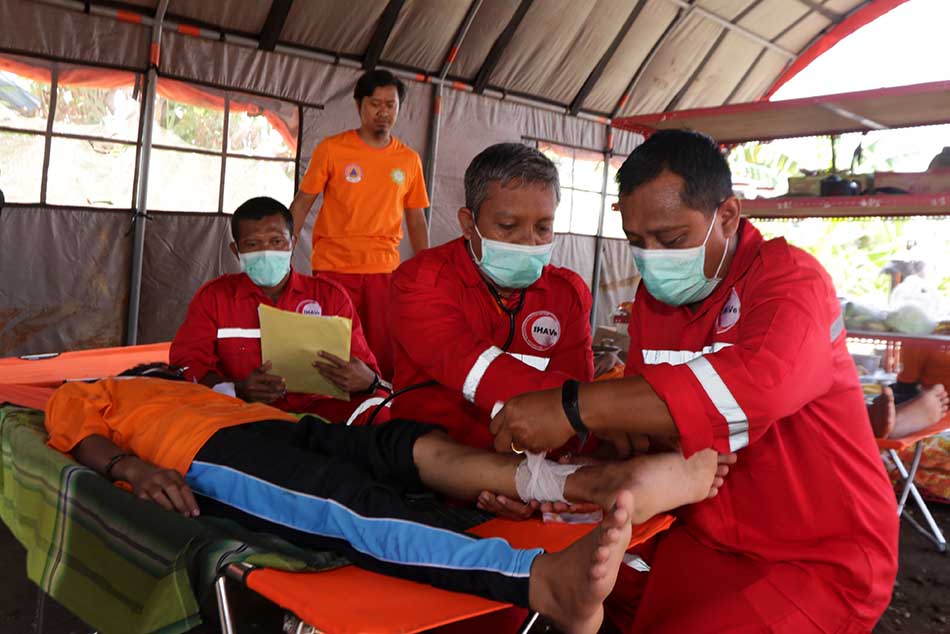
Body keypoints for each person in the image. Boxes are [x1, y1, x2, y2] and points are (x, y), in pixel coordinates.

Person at [490, 130, 899, 633]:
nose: (652, 257)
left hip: (812, 554)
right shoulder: (655, 303)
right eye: (637, 242)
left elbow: (756, 386)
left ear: (727, 216)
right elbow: (643, 428)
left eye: (671, 239)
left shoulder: (790, 281)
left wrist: (573, 407)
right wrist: (549, 481)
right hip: (702, 532)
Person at [44, 363, 731, 634]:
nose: (163, 369)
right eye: (155, 368)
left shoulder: (199, 388)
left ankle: (584, 484)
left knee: (407, 448)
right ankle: (538, 579)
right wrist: (129, 465)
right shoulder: (108, 389)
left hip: (280, 425)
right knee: (346, 506)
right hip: (208, 453)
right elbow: (75, 429)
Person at [389, 143, 594, 455]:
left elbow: (575, 401)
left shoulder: (567, 294)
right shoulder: (420, 282)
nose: (528, 242)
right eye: (508, 227)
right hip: (430, 464)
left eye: (543, 227)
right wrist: (591, 409)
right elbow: (474, 368)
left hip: (533, 465)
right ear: (468, 225)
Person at [170, 197, 383, 424]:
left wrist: (367, 380)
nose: (266, 252)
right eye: (253, 244)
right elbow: (187, 365)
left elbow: (367, 373)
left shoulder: (331, 297)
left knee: (380, 409)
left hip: (322, 413)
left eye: (277, 241)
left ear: (293, 242)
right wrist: (238, 388)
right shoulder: (214, 298)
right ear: (236, 250)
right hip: (241, 415)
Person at [289, 70, 430, 380]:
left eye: (390, 105)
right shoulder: (332, 149)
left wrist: (426, 267)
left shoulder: (409, 160)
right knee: (333, 351)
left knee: (381, 354)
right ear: (358, 105)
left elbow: (416, 218)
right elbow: (302, 203)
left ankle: (378, 404)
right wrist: (283, 250)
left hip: (384, 271)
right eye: (375, 104)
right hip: (334, 267)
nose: (383, 112)